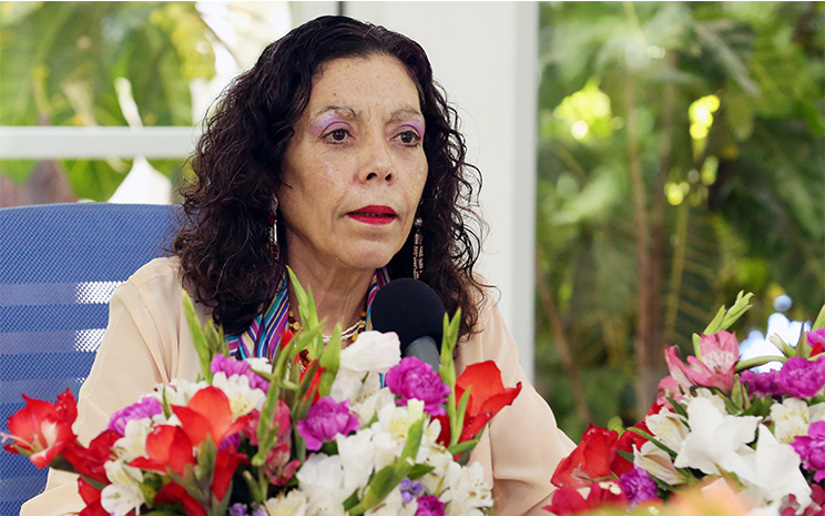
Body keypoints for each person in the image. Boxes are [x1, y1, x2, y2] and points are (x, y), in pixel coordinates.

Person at [22, 16, 574, 516]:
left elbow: (559, 497)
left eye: (406, 138)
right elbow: (72, 506)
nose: (382, 166)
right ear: (269, 165)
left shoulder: (453, 312)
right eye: (339, 135)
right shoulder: (166, 308)